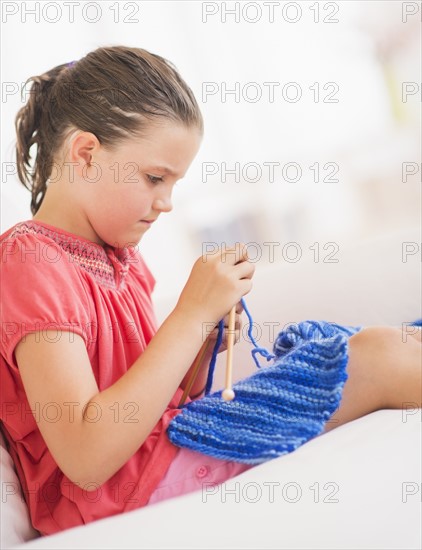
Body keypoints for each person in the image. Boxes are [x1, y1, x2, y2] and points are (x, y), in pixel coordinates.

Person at [0, 46, 420, 537]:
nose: (166, 202)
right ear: (86, 154)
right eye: (155, 178)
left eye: (173, 183)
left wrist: (202, 343)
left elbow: (161, 399)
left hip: (157, 454)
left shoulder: (123, 258)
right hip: (114, 493)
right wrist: (189, 318)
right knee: (379, 355)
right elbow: (88, 454)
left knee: (381, 343)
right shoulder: (30, 260)